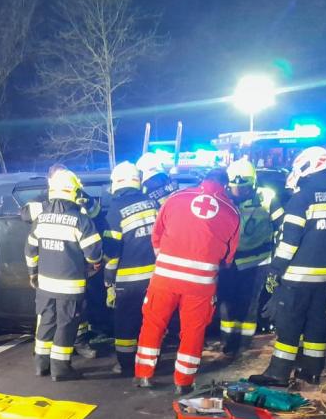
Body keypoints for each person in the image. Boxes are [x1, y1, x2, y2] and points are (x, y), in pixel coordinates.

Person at [250, 146, 326, 387]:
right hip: (324, 276)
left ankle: (278, 373)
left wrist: (276, 269)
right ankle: (311, 371)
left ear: (308, 166)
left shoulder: (302, 197)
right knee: (316, 322)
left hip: (297, 275)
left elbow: (289, 242)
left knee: (289, 322)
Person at [133, 168, 240, 395]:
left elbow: (157, 234)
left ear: (203, 179)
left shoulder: (176, 198)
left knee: (153, 324)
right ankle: (183, 382)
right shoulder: (231, 212)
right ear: (225, 185)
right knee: (193, 330)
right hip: (200, 284)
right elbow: (228, 257)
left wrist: (166, 258)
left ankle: (143, 374)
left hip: (165, 278)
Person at [25, 168, 103, 381]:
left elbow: (30, 250)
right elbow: (94, 253)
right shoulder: (80, 220)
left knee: (47, 322)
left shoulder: (41, 219)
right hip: (70, 286)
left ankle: (41, 365)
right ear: (74, 191)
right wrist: (93, 266)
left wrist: (32, 273)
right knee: (65, 325)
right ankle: (60, 369)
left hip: (44, 285)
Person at [101, 161, 158, 375]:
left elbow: (112, 253)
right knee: (151, 322)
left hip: (128, 281)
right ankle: (151, 360)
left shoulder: (116, 211)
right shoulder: (153, 203)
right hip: (156, 277)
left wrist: (109, 282)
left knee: (126, 323)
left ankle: (126, 364)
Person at [217, 159, 274, 358]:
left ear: (253, 184)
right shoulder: (224, 201)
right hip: (230, 262)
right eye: (236, 187)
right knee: (227, 302)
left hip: (257, 262)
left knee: (249, 303)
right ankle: (228, 341)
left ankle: (244, 342)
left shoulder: (267, 200)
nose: (240, 191)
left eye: (244, 187)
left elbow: (279, 225)